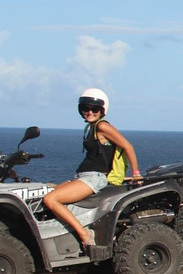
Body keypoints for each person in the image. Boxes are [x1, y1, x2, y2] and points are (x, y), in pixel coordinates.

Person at [43, 88, 141, 249]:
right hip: (83, 176)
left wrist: (136, 173)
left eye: (94, 109)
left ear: (102, 110)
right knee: (46, 192)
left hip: (94, 177)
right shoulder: (90, 127)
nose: (89, 112)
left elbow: (127, 146)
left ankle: (84, 234)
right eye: (85, 109)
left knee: (51, 199)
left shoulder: (102, 126)